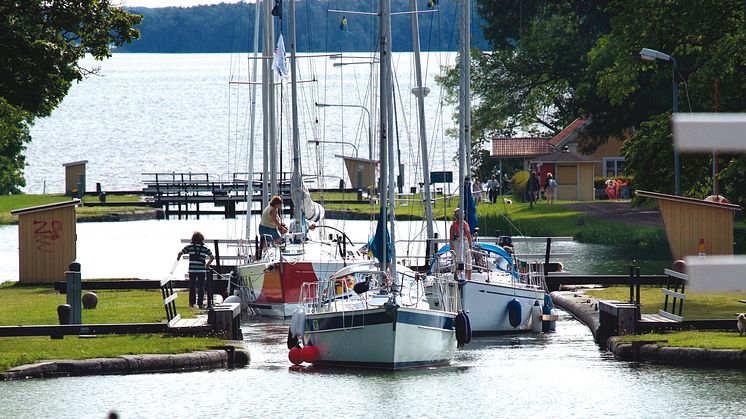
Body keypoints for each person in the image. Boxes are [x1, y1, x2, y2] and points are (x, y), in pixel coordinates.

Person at [177, 231, 214, 308]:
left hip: (192, 270)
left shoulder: (189, 247)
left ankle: (191, 303)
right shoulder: (205, 248)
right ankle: (200, 303)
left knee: (192, 286)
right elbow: (212, 257)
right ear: (202, 239)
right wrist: (207, 264)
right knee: (201, 287)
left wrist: (178, 258)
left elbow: (180, 253)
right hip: (201, 270)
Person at [449, 208, 473, 280]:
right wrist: (452, 248)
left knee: (468, 260)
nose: (463, 215)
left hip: (465, 242)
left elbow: (469, 235)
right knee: (457, 261)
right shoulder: (453, 225)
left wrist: (470, 244)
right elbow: (451, 238)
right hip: (457, 242)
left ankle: (469, 279)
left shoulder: (465, 224)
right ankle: (457, 278)